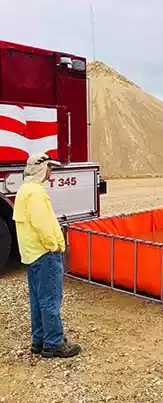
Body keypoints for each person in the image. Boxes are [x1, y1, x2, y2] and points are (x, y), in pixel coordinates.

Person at [13, 153, 81, 358]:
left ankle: (39, 340)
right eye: (49, 167)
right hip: (45, 253)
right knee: (50, 299)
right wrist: (55, 245)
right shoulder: (36, 193)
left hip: (32, 253)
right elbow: (42, 224)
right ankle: (53, 343)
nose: (51, 171)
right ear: (40, 169)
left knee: (37, 298)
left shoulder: (24, 190)